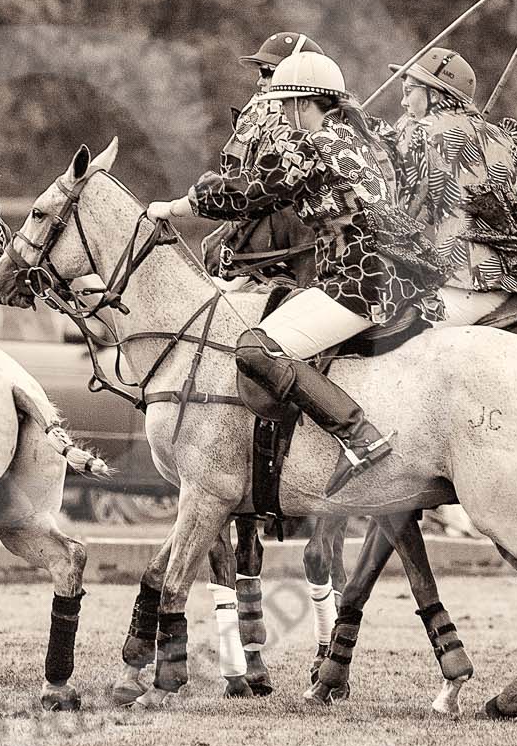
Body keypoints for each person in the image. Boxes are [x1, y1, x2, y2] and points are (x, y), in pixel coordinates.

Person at [145, 46, 446, 507]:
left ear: (306, 103)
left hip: (358, 281)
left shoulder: (308, 146)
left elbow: (244, 196)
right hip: (403, 273)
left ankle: (358, 435)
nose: (282, 116)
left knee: (254, 348)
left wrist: (171, 207)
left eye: (286, 106)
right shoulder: (364, 134)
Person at [388, 46, 517, 327]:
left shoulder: (417, 131)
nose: (404, 103)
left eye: (409, 92)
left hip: (467, 283)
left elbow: (400, 215)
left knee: (388, 338)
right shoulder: (509, 138)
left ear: (435, 94)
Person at [202, 32, 329, 285]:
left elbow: (239, 179)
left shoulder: (269, 111)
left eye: (267, 73)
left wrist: (177, 207)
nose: (260, 82)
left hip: (316, 255)